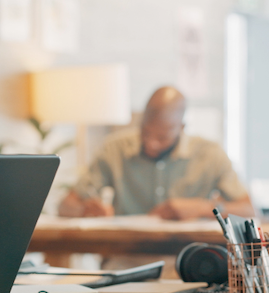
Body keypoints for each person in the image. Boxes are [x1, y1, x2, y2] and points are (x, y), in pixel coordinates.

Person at [58, 86, 254, 220]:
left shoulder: (210, 154)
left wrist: (202, 208)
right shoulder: (114, 149)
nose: (151, 143)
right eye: (145, 132)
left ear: (182, 127)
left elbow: (248, 210)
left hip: (189, 257)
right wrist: (85, 210)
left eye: (162, 137)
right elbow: (65, 206)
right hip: (126, 258)